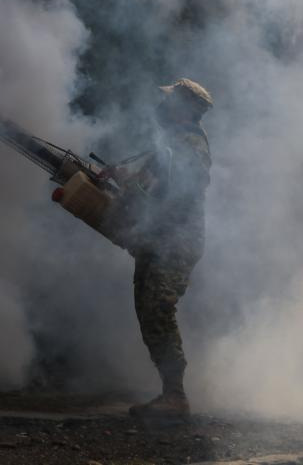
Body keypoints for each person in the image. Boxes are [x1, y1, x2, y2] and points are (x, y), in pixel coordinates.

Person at [99, 78, 213, 421]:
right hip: (158, 238)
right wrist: (123, 179)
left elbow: (188, 187)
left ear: (183, 106)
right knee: (147, 311)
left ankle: (175, 396)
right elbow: (149, 187)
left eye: (169, 100)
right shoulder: (169, 143)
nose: (162, 105)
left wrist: (147, 192)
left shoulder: (191, 144)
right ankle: (170, 393)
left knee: (157, 309)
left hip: (177, 239)